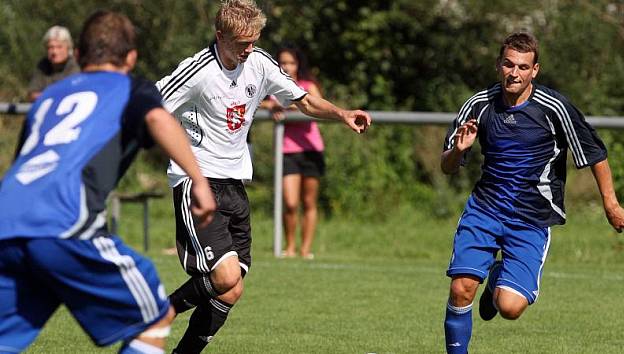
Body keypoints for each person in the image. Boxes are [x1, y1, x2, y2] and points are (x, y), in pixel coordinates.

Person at [155, 1, 371, 352]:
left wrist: (342, 113)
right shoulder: (196, 71)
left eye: (254, 40)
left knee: (233, 289)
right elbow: (150, 107)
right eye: (242, 42)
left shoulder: (259, 62)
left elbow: (302, 100)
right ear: (220, 35)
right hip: (197, 181)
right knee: (223, 277)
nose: (249, 49)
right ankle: (158, 314)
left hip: (234, 185)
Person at [0, 10, 216, 354]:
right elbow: (158, 117)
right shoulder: (130, 87)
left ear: (80, 56)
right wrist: (199, 180)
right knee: (155, 317)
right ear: (131, 57)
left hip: (7, 226)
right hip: (64, 225)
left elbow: (23, 162)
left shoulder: (47, 100)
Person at [440, 31, 624, 354]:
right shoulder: (479, 105)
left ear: (535, 71)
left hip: (530, 219)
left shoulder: (554, 108)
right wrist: (459, 151)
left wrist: (610, 204)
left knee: (510, 307)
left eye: (523, 67)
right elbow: (447, 165)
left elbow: (595, 153)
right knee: (461, 289)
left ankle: (499, 274)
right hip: (485, 209)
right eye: (509, 65)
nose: (514, 73)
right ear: (498, 65)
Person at [260, 46, 326, 260]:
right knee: (290, 202)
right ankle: (289, 247)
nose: (287, 67)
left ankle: (305, 249)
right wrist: (270, 105)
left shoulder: (308, 86)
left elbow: (315, 103)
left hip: (311, 149)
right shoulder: (273, 88)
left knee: (309, 202)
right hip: (287, 150)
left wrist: (285, 107)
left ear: (298, 65)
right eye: (283, 63)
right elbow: (254, 101)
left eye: (291, 63)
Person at [27, 25, 80, 102]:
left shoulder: (75, 66)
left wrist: (45, 96)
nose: (54, 52)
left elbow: (72, 94)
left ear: (68, 48)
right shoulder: (43, 65)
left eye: (59, 47)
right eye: (51, 47)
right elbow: (32, 94)